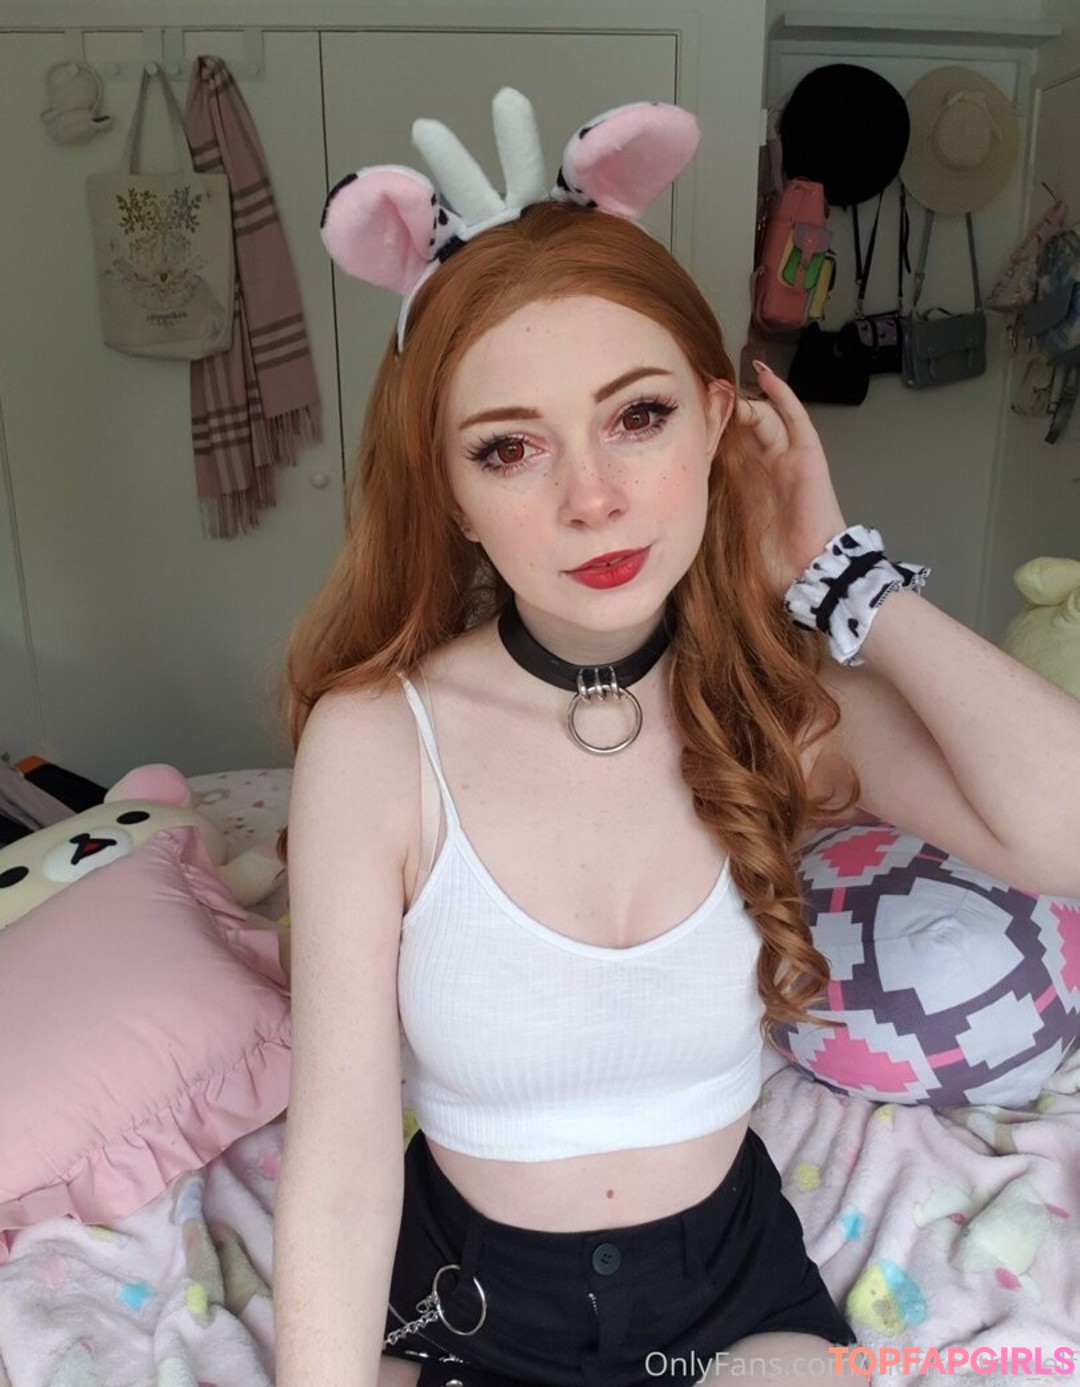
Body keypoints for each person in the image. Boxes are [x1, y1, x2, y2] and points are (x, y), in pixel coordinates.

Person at [271, 92, 1080, 1387]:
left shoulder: (771, 706)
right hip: (466, 1298)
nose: (591, 496)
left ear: (717, 423)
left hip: (728, 1287)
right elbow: (342, 1160)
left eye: (638, 416)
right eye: (508, 448)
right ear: (453, 496)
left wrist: (844, 576)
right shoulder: (376, 741)